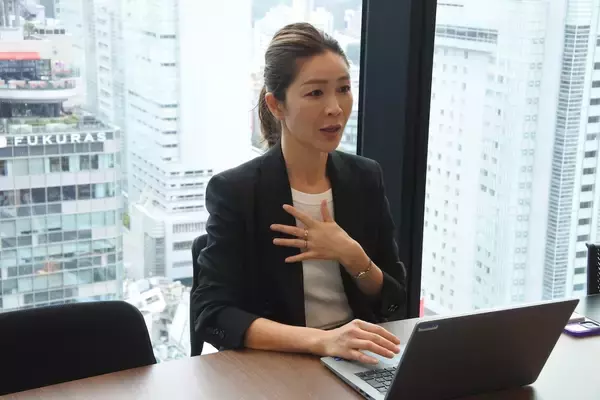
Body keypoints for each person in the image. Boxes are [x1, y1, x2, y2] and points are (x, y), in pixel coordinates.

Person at [191, 22, 407, 365]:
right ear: (276, 105)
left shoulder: (365, 177)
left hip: (359, 358)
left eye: (343, 88)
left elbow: (395, 300)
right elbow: (213, 314)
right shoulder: (237, 191)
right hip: (282, 363)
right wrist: (322, 341)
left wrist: (352, 255)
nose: (335, 107)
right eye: (315, 93)